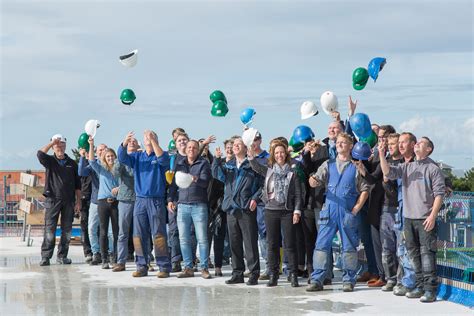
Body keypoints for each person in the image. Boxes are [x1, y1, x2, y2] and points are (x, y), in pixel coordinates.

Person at [379, 136, 445, 303]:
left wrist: (433, 215)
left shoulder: (433, 168)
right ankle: (420, 286)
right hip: (408, 218)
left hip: (425, 219)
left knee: (427, 254)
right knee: (413, 255)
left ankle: (430, 290)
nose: (417, 145)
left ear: (428, 149)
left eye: (421, 143)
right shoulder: (407, 167)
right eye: (416, 143)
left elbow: (439, 194)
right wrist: (381, 153)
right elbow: (388, 172)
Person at [307, 133, 370, 292]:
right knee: (321, 246)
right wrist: (312, 181)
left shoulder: (356, 167)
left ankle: (349, 279)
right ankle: (317, 278)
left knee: (349, 247)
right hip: (329, 210)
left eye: (344, 142)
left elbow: (365, 190)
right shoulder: (328, 164)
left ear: (350, 146)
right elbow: (314, 181)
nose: (340, 144)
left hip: (348, 212)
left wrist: (356, 208)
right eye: (338, 142)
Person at [248, 139, 302, 287]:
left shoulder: (292, 173)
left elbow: (298, 194)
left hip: (287, 212)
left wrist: (297, 211)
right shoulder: (269, 170)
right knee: (272, 244)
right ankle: (273, 274)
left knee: (289, 244)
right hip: (271, 211)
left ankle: (293, 274)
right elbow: (256, 167)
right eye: (277, 153)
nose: (279, 155)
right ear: (273, 154)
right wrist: (251, 155)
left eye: (282, 152)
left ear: (286, 154)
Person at [118, 130, 172, 278]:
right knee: (138, 235)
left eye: (151, 136)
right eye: (146, 137)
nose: (147, 138)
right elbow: (122, 157)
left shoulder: (161, 154)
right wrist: (124, 142)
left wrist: (153, 141)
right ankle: (141, 265)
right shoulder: (137, 156)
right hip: (140, 200)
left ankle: (163, 266)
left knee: (159, 234)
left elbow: (163, 160)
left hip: (156, 200)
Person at [356, 131, 403, 291]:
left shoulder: (407, 161)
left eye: (393, 143)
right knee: (386, 246)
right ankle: (388, 277)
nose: (389, 146)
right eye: (388, 144)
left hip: (401, 208)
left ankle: (401, 279)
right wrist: (362, 169)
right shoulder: (385, 160)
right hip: (385, 207)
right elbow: (372, 178)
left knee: (401, 247)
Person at [212, 137, 262, 285]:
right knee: (234, 242)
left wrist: (255, 199)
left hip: (246, 208)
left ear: (246, 148)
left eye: (239, 144)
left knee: (250, 243)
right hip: (231, 209)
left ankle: (254, 273)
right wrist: (216, 159)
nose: (235, 146)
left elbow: (261, 185)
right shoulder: (229, 166)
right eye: (234, 145)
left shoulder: (252, 165)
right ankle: (237, 272)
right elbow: (216, 175)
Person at [169, 140, 212, 279]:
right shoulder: (179, 164)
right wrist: (170, 200)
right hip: (182, 206)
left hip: (199, 205)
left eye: (194, 147)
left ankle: (204, 268)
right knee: (183, 239)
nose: (191, 149)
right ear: (185, 149)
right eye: (189, 147)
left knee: (202, 239)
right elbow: (173, 186)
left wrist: (195, 178)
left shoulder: (203, 163)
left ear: (197, 149)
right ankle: (188, 267)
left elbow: (206, 182)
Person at [37, 134, 81, 266]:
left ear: (65, 145)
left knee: (67, 230)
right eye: (57, 145)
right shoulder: (49, 161)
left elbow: (78, 185)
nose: (59, 147)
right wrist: (51, 143)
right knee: (50, 229)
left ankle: (62, 256)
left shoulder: (72, 164)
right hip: (52, 199)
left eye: (62, 144)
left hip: (69, 201)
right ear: (53, 147)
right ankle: (46, 257)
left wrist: (78, 201)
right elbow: (39, 154)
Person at [79, 142, 114, 265]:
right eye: (99, 150)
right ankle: (96, 252)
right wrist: (83, 157)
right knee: (92, 228)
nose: (102, 151)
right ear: (96, 152)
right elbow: (82, 172)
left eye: (104, 149)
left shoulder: (112, 165)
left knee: (110, 231)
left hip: (110, 201)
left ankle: (111, 252)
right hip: (95, 201)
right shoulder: (94, 165)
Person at [88, 137, 120, 269]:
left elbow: (127, 182)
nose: (110, 158)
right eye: (108, 156)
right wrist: (91, 145)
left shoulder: (119, 169)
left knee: (115, 232)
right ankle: (104, 258)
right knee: (103, 231)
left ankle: (114, 256)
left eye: (112, 156)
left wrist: (119, 188)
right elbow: (91, 161)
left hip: (116, 203)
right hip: (102, 203)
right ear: (104, 158)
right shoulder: (101, 169)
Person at [111, 137, 139, 272]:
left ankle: (143, 260)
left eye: (134, 141)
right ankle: (121, 261)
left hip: (140, 199)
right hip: (125, 200)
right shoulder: (122, 160)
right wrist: (120, 160)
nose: (132, 143)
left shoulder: (140, 158)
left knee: (141, 232)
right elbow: (115, 173)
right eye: (129, 142)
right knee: (123, 233)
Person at [249, 132, 271, 280]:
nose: (254, 142)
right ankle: (252, 266)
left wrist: (256, 198)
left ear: (260, 140)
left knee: (264, 235)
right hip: (246, 203)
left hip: (261, 202)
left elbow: (266, 182)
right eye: (251, 140)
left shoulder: (267, 158)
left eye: (256, 139)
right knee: (250, 236)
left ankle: (269, 266)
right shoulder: (246, 158)